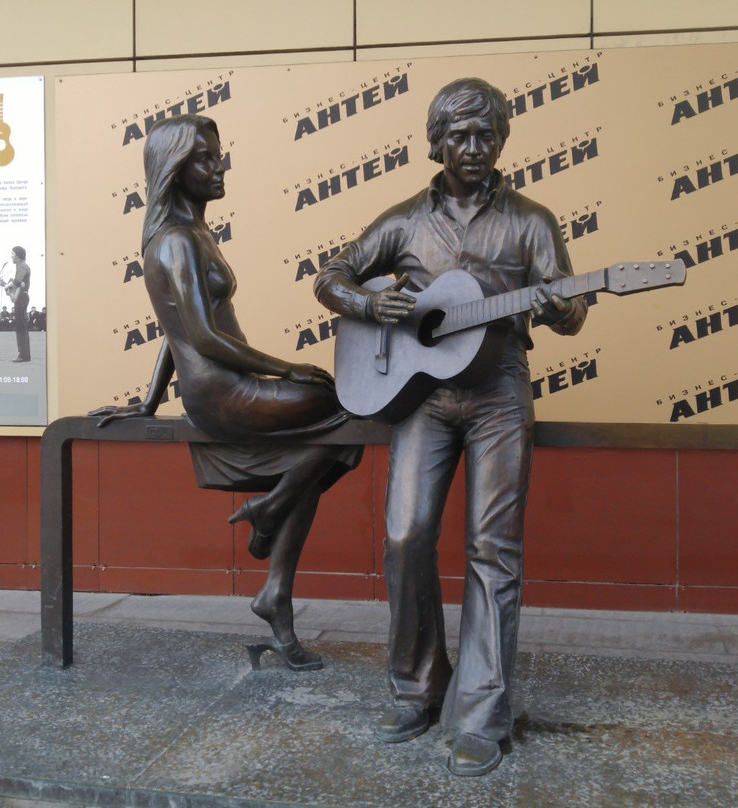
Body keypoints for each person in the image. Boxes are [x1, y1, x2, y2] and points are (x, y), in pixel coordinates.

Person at [314, 78, 587, 777]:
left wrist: (561, 308)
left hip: (499, 394)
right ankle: (416, 689)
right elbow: (332, 277)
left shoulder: (532, 221)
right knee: (406, 537)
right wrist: (370, 309)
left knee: (493, 552)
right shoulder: (404, 221)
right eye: (460, 135)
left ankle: (481, 715)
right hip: (423, 401)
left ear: (502, 140)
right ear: (436, 142)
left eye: (486, 134)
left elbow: (574, 312)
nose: (474, 147)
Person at [89, 114, 362, 670]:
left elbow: (174, 335)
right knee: (346, 407)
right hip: (222, 394)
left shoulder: (193, 235)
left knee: (328, 448)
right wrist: (287, 369)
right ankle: (270, 514)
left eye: (218, 154)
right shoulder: (173, 243)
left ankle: (274, 579)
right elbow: (203, 339)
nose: (218, 167)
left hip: (225, 387)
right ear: (173, 169)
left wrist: (149, 401)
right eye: (203, 159)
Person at [1, 246, 31, 362]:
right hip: (21, 296)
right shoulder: (20, 265)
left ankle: (23, 355)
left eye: (12, 254)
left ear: (18, 256)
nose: (11, 256)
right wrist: (6, 284)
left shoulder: (22, 266)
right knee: (21, 326)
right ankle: (24, 354)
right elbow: (17, 284)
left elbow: (17, 282)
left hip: (21, 297)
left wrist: (7, 285)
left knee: (21, 327)